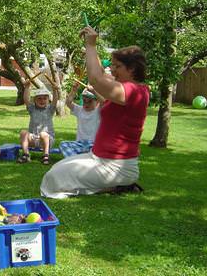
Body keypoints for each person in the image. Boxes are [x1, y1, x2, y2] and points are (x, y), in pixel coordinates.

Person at [40, 26, 149, 198]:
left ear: (132, 69)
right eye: (112, 65)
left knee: (54, 179)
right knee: (56, 170)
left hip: (116, 166)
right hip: (98, 158)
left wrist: (90, 46)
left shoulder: (136, 91)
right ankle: (116, 186)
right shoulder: (123, 90)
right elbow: (99, 77)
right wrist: (91, 46)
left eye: (117, 66)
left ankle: (118, 185)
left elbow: (96, 79)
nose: (112, 70)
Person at [17, 79, 58, 165]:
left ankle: (46, 155)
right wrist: (27, 87)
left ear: (48, 100)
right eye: (39, 99)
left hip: (47, 140)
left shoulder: (50, 109)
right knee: (23, 132)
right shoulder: (32, 109)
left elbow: (55, 100)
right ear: (34, 100)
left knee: (43, 134)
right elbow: (26, 100)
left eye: (44, 99)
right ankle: (26, 155)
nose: (42, 101)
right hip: (34, 138)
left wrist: (55, 90)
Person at [59, 83, 103, 158]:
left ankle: (78, 157)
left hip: (93, 144)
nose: (86, 104)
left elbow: (104, 102)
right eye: (84, 101)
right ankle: (75, 159)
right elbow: (68, 102)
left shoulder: (98, 111)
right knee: (63, 144)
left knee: (101, 149)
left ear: (97, 102)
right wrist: (73, 90)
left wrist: (94, 92)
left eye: (90, 101)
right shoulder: (79, 110)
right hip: (79, 143)